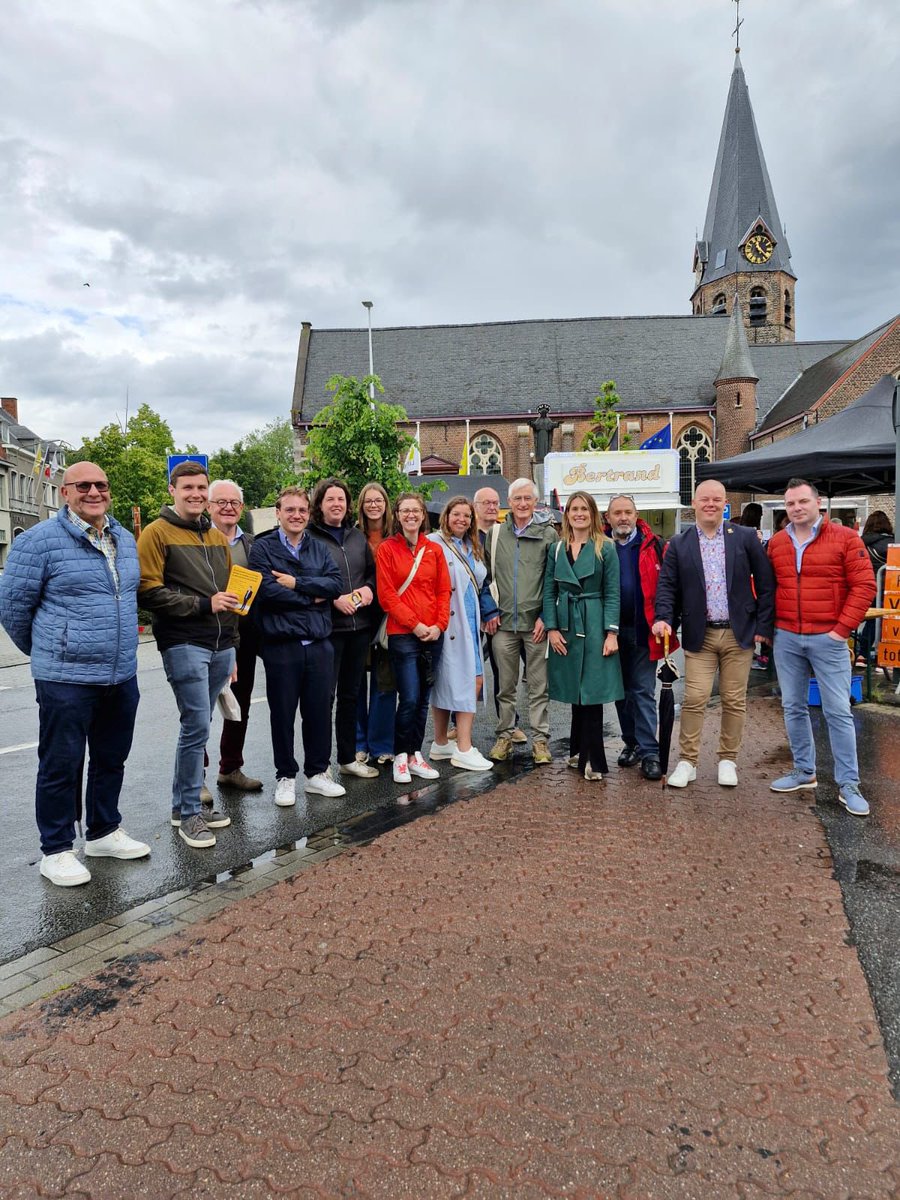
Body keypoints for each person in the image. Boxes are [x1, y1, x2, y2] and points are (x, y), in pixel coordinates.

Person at [0, 462, 149, 886]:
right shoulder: (39, 542)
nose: (93, 492)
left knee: (110, 758)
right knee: (60, 764)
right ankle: (57, 849)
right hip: (65, 678)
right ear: (65, 491)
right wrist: (49, 651)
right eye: (82, 485)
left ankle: (103, 832)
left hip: (120, 673)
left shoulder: (122, 537)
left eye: (101, 484)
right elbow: (12, 608)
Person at [139, 461, 240, 847]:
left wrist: (231, 642)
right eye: (188, 488)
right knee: (196, 723)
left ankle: (185, 807)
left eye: (202, 488)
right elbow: (148, 592)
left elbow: (228, 596)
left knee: (201, 725)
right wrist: (203, 605)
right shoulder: (155, 533)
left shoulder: (215, 536)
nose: (196, 494)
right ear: (172, 490)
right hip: (183, 642)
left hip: (219, 644)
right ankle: (188, 812)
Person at [652, 479, 775, 789]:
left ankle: (727, 760)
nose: (710, 504)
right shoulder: (679, 544)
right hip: (700, 634)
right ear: (693, 503)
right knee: (694, 698)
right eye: (704, 499)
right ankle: (688, 761)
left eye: (716, 499)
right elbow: (667, 586)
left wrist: (763, 626)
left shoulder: (745, 538)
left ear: (724, 504)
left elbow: (765, 583)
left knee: (734, 700)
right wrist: (663, 618)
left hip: (738, 633)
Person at [767, 479, 876, 816]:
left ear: (818, 504)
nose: (796, 508)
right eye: (790, 504)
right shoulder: (776, 543)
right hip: (787, 636)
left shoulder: (844, 538)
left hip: (827, 637)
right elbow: (767, 587)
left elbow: (865, 586)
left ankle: (849, 785)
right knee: (793, 707)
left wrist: (841, 630)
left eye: (802, 502)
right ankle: (804, 771)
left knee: (838, 711)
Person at [248, 487, 345, 805]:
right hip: (282, 645)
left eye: (302, 510)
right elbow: (266, 592)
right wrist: (312, 596)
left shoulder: (318, 548)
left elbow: (335, 585)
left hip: (319, 644)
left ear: (308, 513)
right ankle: (285, 777)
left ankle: (317, 773)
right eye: (289, 510)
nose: (296, 515)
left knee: (319, 712)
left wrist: (297, 583)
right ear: (278, 512)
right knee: (283, 714)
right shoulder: (262, 548)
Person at [544, 492, 623, 780]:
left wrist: (611, 632)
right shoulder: (556, 549)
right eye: (574, 509)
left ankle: (594, 760)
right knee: (576, 691)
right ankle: (577, 749)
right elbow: (549, 590)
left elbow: (613, 592)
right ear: (566, 515)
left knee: (592, 692)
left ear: (593, 514)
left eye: (584, 509)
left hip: (594, 622)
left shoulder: (606, 548)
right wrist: (552, 628)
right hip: (566, 623)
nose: (579, 514)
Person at [377, 492, 451, 788]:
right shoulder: (387, 549)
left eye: (416, 510)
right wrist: (416, 624)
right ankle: (399, 755)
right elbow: (387, 596)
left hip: (433, 634)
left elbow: (444, 590)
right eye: (405, 510)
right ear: (397, 515)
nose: (411, 515)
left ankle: (414, 754)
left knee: (422, 700)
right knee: (407, 697)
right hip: (403, 635)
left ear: (423, 515)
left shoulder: (434, 549)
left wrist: (439, 625)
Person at [308, 478, 379, 780]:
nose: (337, 504)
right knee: (325, 698)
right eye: (330, 499)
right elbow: (306, 581)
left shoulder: (357, 537)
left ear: (348, 505)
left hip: (359, 627)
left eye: (341, 499)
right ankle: (319, 767)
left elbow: (372, 575)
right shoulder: (310, 538)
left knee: (351, 696)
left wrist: (368, 590)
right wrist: (333, 600)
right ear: (320, 504)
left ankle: (348, 758)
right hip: (328, 628)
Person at [484, 478, 558, 764]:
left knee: (539, 686)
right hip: (503, 624)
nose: (523, 504)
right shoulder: (495, 534)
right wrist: (490, 611)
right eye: (518, 499)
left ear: (536, 502)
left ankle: (540, 740)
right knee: (505, 685)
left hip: (535, 625)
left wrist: (546, 617)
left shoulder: (548, 535)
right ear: (509, 502)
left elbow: (554, 581)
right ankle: (505, 736)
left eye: (528, 499)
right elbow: (485, 577)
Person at [606, 494, 677, 781]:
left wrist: (666, 619)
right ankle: (631, 743)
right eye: (617, 513)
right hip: (610, 632)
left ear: (637, 515)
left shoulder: (655, 545)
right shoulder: (601, 546)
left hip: (644, 630)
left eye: (628, 512)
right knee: (620, 693)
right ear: (608, 518)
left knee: (643, 691)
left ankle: (649, 751)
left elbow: (668, 587)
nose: (623, 517)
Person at [428, 497, 499, 771]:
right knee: (465, 680)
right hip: (448, 621)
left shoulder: (472, 546)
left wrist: (489, 612)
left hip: (470, 621)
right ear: (446, 516)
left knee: (465, 679)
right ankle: (463, 747)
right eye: (456, 514)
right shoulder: (434, 542)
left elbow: (480, 584)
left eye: (467, 516)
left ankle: (441, 743)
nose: (461, 519)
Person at [206, 479, 263, 793]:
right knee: (199, 707)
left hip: (243, 637)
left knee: (239, 703)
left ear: (242, 508)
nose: (228, 508)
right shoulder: (197, 539)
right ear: (209, 506)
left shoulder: (252, 544)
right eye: (221, 502)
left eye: (234, 503)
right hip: (204, 634)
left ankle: (230, 768)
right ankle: (195, 780)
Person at [354, 481, 397, 767]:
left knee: (385, 683)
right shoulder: (352, 536)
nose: (373, 505)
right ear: (361, 505)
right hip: (356, 617)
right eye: (368, 500)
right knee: (354, 684)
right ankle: (358, 743)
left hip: (388, 616)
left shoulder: (396, 537)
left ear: (385, 504)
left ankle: (381, 743)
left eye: (378, 500)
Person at [858, 510, 893, 663]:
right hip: (887, 589)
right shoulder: (892, 543)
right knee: (886, 620)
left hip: (862, 589)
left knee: (870, 620)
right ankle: (884, 656)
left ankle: (861, 654)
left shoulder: (858, 542)